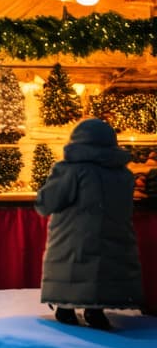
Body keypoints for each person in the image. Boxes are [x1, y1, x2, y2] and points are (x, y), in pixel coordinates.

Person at [34, 118, 144, 329]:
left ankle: (66, 308)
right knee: (103, 266)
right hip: (114, 240)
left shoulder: (72, 170)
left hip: (74, 239)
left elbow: (46, 203)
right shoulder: (124, 175)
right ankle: (96, 311)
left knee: (74, 266)